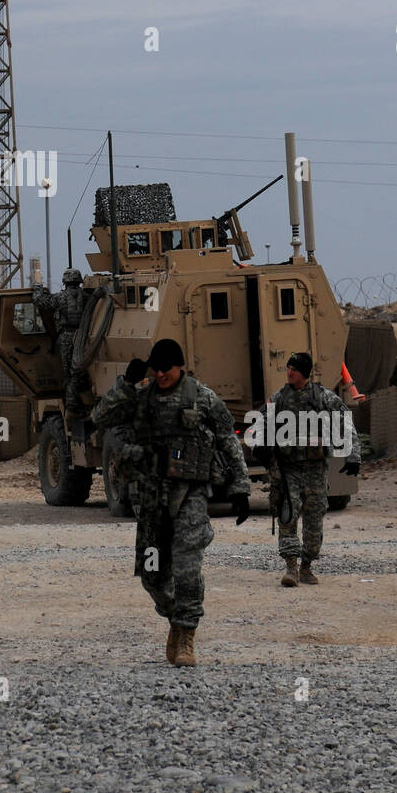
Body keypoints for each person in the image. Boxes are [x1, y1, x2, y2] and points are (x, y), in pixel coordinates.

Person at [92, 338, 250, 667]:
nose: (162, 374)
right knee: (152, 575)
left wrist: (240, 487)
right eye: (157, 368)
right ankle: (174, 615)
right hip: (150, 500)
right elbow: (100, 417)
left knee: (188, 569)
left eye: (168, 368)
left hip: (189, 497)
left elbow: (227, 438)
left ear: (181, 366)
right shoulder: (141, 396)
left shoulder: (201, 397)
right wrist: (125, 384)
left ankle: (186, 634)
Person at [263, 352, 360, 587]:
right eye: (288, 369)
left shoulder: (323, 397)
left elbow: (345, 422)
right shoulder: (279, 398)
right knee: (288, 514)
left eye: (293, 370)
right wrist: (263, 446)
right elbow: (264, 423)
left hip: (315, 469)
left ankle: (307, 566)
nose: (289, 373)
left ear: (303, 373)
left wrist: (353, 455)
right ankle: (291, 567)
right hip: (288, 469)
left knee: (314, 519)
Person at [32, 268, 89, 413]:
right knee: (81, 370)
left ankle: (71, 405)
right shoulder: (87, 296)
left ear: (65, 281)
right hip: (83, 338)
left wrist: (38, 289)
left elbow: (39, 301)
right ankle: (83, 399)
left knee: (69, 373)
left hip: (66, 337)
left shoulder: (60, 297)